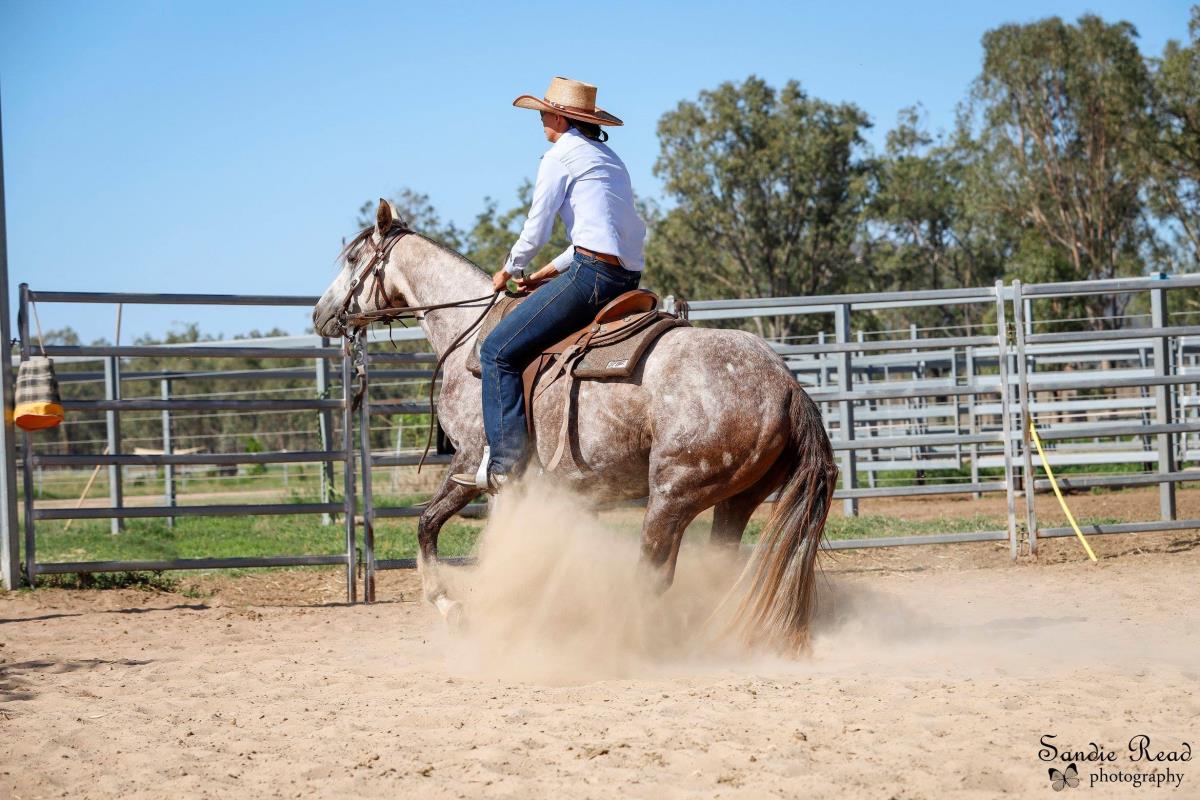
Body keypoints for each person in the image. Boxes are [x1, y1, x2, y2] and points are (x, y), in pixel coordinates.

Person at [451, 76, 647, 493]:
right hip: (625, 278)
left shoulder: (560, 156)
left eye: (543, 113)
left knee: (497, 351)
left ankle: (506, 466)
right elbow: (598, 236)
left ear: (559, 117)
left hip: (591, 277)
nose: (540, 119)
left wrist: (509, 269)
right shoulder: (608, 158)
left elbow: (536, 228)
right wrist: (543, 275)